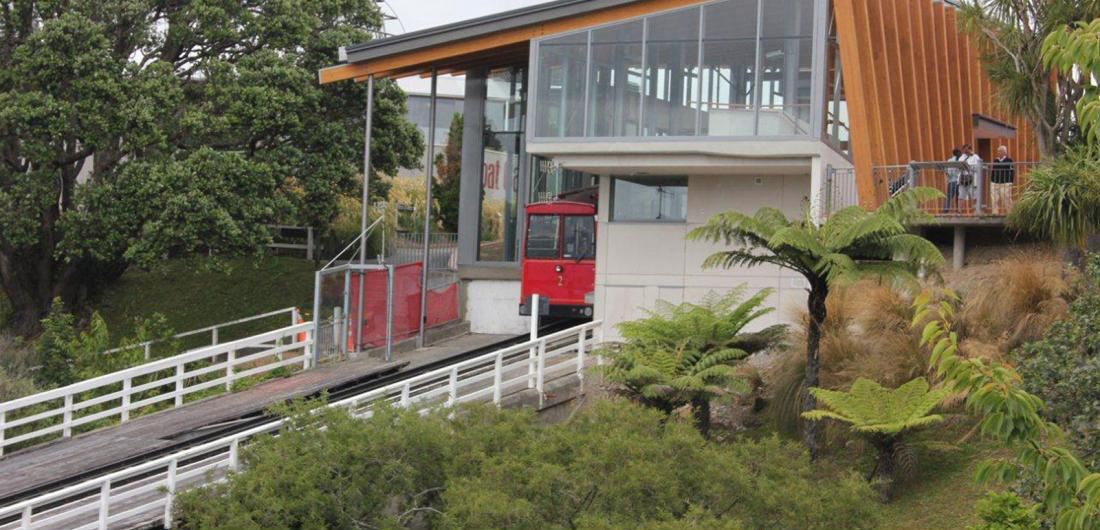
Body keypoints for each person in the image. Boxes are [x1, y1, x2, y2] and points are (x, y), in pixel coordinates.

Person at [990, 145, 1015, 215]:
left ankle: (1010, 213)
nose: (998, 153)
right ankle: (995, 213)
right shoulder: (996, 160)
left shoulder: (1009, 160)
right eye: (998, 151)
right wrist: (992, 180)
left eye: (1000, 151)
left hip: (1005, 182)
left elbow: (1012, 171)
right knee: (994, 198)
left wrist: (1011, 181)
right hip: (995, 182)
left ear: (1005, 152)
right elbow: (993, 170)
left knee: (1006, 197)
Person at [959, 144, 982, 214]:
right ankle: (960, 211)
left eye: (966, 150)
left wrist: (970, 168)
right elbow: (959, 165)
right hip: (963, 178)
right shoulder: (962, 157)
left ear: (970, 149)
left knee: (974, 195)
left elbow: (978, 167)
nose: (965, 152)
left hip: (972, 178)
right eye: (964, 150)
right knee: (961, 195)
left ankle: (975, 210)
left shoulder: (975, 157)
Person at [943, 148, 962, 213]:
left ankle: (946, 210)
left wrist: (948, 176)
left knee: (949, 196)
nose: (961, 154)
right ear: (958, 153)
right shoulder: (960, 160)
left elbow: (945, 170)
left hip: (951, 181)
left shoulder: (949, 160)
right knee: (958, 197)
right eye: (960, 153)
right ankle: (958, 210)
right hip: (958, 181)